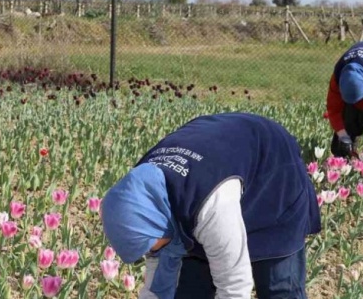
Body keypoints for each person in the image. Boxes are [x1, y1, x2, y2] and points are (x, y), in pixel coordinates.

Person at [100, 112, 321, 299]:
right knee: (190, 289)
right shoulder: (146, 196)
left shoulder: (210, 204)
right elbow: (156, 279)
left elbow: (235, 287)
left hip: (275, 179)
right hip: (221, 165)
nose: (150, 253)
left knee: (279, 287)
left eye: (148, 246)